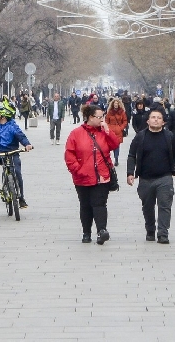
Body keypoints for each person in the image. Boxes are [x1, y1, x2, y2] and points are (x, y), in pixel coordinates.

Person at [126, 108, 175, 244]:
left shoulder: (169, 137)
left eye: (159, 118)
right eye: (153, 117)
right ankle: (150, 230)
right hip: (145, 179)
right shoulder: (140, 137)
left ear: (163, 122)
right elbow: (131, 156)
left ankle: (163, 233)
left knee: (165, 206)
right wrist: (130, 173)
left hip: (164, 178)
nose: (156, 120)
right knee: (147, 207)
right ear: (148, 121)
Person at [65, 104, 120, 244]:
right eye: (99, 117)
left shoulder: (103, 132)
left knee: (99, 203)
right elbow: (69, 155)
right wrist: (78, 170)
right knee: (85, 205)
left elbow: (115, 145)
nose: (102, 120)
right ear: (90, 117)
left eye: (103, 117)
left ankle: (102, 230)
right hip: (82, 177)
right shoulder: (76, 134)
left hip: (102, 176)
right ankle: (86, 232)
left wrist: (108, 131)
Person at [105, 98, 129, 166]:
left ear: (119, 104)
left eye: (117, 103)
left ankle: (116, 159)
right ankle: (111, 158)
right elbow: (107, 121)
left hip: (119, 131)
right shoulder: (109, 112)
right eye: (115, 103)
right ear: (113, 104)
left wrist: (121, 128)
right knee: (112, 145)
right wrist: (109, 127)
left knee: (117, 145)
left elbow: (125, 121)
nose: (116, 105)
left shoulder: (122, 112)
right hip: (111, 131)